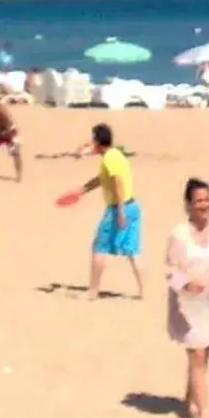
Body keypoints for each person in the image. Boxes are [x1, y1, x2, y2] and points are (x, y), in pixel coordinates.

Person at [164, 177, 209, 418]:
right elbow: (170, 272)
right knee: (196, 354)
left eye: (207, 200)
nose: (204, 205)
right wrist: (186, 283)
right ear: (188, 205)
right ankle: (202, 413)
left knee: (203, 355)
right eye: (198, 201)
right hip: (186, 306)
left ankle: (190, 398)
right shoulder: (179, 235)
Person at [73, 122, 143, 300]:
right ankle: (144, 292)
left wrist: (119, 211)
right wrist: (84, 189)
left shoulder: (109, 158)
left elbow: (117, 182)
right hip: (133, 206)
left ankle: (93, 291)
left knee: (99, 247)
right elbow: (103, 178)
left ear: (97, 141)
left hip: (119, 208)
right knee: (132, 251)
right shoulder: (116, 154)